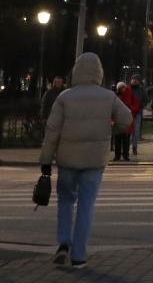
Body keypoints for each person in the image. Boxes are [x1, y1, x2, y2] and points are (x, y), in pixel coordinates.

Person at [39, 52, 132, 269]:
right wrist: (109, 133)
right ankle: (79, 255)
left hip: (67, 159)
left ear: (76, 72)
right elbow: (126, 119)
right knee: (86, 205)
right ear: (99, 73)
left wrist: (45, 159)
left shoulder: (64, 97)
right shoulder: (108, 97)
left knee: (64, 200)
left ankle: (63, 244)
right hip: (94, 160)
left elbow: (52, 131)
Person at [113, 83, 137, 161]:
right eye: (120, 89)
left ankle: (125, 155)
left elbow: (135, 104)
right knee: (118, 139)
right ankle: (118, 155)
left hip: (126, 119)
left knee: (125, 139)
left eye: (122, 88)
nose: (121, 90)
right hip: (119, 119)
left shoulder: (130, 93)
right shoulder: (117, 96)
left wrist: (131, 110)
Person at [127, 76, 146, 156]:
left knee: (136, 131)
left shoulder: (141, 90)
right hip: (127, 112)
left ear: (138, 81)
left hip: (137, 113)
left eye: (136, 80)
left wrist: (140, 106)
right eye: (133, 80)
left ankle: (134, 147)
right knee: (127, 131)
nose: (134, 81)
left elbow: (145, 100)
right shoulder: (127, 89)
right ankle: (126, 147)